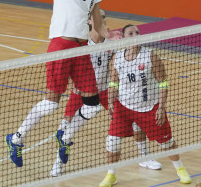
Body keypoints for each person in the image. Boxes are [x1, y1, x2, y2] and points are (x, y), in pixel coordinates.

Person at [6, 0, 114, 168]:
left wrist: (113, 38)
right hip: (61, 46)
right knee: (52, 101)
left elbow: (98, 24)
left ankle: (64, 136)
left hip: (81, 48)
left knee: (92, 105)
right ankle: (16, 138)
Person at [50, 10, 162, 177]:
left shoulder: (111, 42)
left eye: (103, 16)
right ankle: (57, 165)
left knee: (134, 120)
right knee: (66, 128)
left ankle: (144, 157)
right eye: (99, 16)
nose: (103, 18)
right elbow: (70, 65)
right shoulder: (82, 43)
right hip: (82, 93)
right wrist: (74, 82)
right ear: (89, 20)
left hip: (105, 91)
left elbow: (127, 53)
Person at [98, 25, 192, 187]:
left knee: (166, 143)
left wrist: (161, 107)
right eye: (131, 33)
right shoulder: (117, 58)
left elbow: (163, 82)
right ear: (124, 37)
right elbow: (113, 82)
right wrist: (111, 102)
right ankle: (111, 174)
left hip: (149, 107)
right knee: (112, 142)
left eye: (137, 33)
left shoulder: (150, 56)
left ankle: (181, 169)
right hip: (124, 107)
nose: (135, 35)